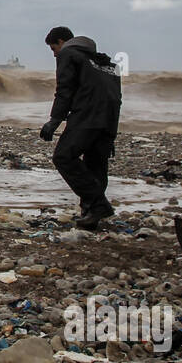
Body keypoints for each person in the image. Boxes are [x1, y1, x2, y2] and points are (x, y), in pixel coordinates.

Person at [40, 26, 122, 230]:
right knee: (96, 164)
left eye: (53, 48)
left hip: (87, 115)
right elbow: (115, 95)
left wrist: (54, 120)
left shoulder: (68, 53)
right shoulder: (103, 61)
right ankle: (91, 213)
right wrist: (111, 133)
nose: (55, 54)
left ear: (61, 42)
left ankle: (98, 205)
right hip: (108, 118)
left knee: (63, 157)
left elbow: (65, 89)